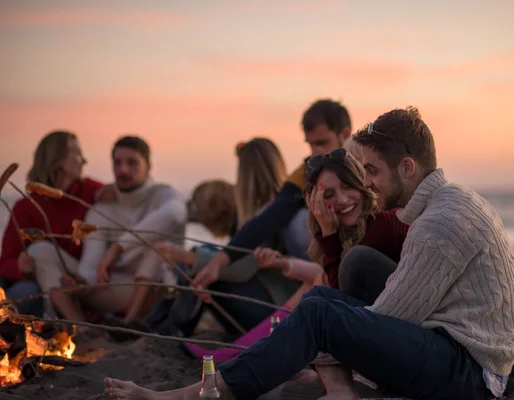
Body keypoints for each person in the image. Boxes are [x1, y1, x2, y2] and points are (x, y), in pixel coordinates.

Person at [105, 106, 514, 400]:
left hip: (472, 376)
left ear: (408, 167)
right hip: (459, 352)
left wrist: (314, 350)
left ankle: (199, 394)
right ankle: (222, 387)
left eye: (373, 171)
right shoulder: (450, 202)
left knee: (319, 313)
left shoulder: (438, 224)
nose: (370, 184)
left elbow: (386, 320)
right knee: (321, 301)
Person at [184, 149, 409, 363]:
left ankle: (242, 351)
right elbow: (327, 277)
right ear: (316, 202)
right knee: (313, 289)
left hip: (402, 331)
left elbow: (338, 291)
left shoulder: (383, 223)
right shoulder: (351, 230)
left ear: (363, 186)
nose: (341, 200)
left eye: (348, 187)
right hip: (376, 323)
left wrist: (328, 235)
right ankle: (243, 351)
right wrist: (283, 262)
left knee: (318, 292)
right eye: (329, 194)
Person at [191, 99, 352, 293]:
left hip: (359, 254)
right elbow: (269, 218)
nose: (315, 152)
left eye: (322, 143)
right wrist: (218, 261)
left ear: (345, 135)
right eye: (310, 145)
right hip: (321, 263)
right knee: (293, 220)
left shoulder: (364, 164)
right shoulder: (306, 172)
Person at [150, 138, 302, 336]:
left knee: (198, 270)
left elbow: (242, 269)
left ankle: (166, 330)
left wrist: (189, 257)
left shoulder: (270, 213)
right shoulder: (274, 207)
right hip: (265, 305)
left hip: (275, 310)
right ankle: (162, 327)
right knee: (198, 267)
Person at [41, 135, 186, 325]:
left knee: (158, 245)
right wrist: (82, 282)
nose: (123, 170)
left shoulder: (163, 195)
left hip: (155, 291)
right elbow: (91, 264)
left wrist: (118, 247)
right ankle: (80, 327)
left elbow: (173, 215)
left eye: (132, 163)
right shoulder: (103, 209)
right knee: (40, 250)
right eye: (117, 163)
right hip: (112, 289)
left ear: (148, 166)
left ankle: (129, 323)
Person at [0, 130, 103, 317]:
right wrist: (21, 269)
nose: (84, 160)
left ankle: (79, 325)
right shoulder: (26, 207)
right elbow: (5, 262)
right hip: (42, 284)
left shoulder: (91, 192)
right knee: (25, 292)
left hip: (81, 279)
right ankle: (74, 325)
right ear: (57, 158)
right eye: (77, 153)